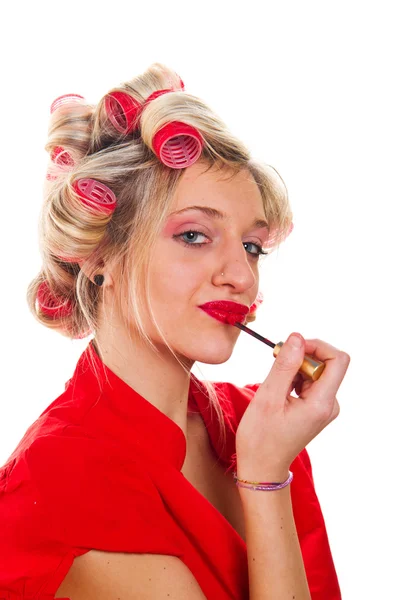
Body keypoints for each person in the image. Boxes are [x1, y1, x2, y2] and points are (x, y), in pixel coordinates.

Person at [0, 63, 350, 599]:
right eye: (194, 235)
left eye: (251, 246)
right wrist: (263, 479)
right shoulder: (60, 477)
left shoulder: (254, 427)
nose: (240, 275)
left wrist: (265, 462)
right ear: (102, 258)